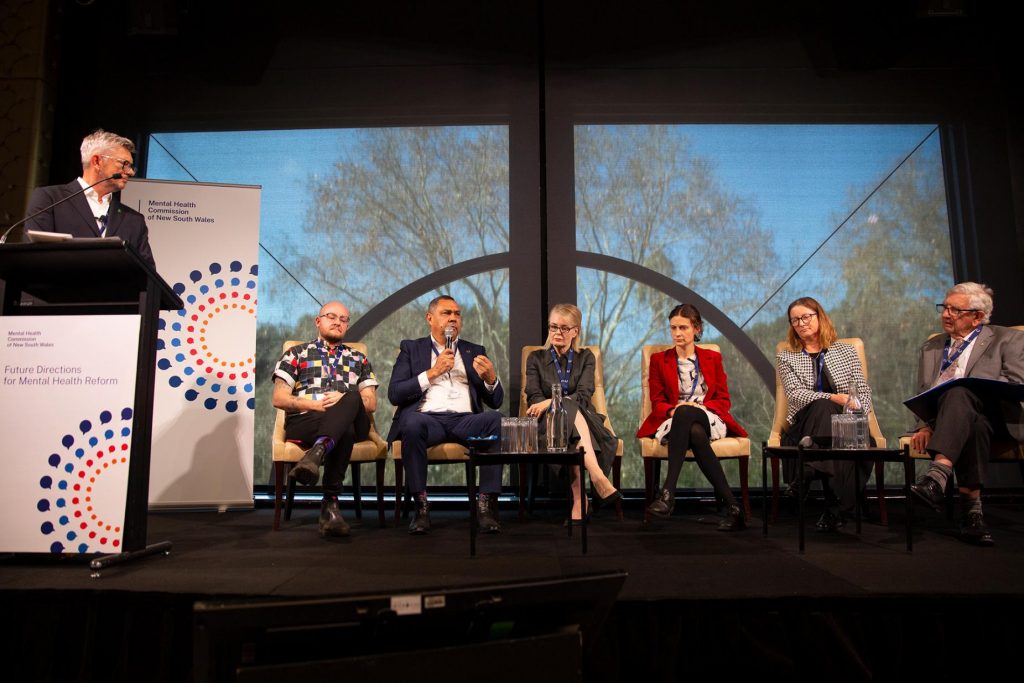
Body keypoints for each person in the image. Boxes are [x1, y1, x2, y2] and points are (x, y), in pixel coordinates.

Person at [909, 282, 1024, 546]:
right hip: (954, 422)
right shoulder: (932, 346)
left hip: (999, 417)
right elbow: (923, 391)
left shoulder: (1008, 339)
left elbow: (1017, 384)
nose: (946, 314)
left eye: (955, 310)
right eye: (945, 308)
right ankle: (972, 514)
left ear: (977, 317)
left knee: (961, 390)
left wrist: (975, 385)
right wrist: (924, 426)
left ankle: (937, 474)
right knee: (974, 424)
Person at [387, 294, 504, 535]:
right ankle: (421, 507)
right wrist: (432, 372)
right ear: (430, 318)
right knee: (411, 422)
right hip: (428, 419)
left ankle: (485, 506)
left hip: (464, 420)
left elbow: (495, 400)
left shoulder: (474, 350)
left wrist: (491, 379)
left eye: (457, 314)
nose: (453, 318)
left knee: (496, 420)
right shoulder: (412, 348)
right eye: (446, 313)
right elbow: (395, 393)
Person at [272, 301, 378, 538]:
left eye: (343, 319)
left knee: (351, 397)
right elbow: (279, 398)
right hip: (307, 420)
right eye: (331, 316)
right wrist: (314, 404)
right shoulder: (295, 354)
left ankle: (316, 453)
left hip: (354, 417)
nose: (337, 322)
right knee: (345, 432)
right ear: (318, 321)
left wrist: (342, 399)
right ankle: (330, 505)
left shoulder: (359, 359)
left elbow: (371, 403)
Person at [637, 304, 748, 531]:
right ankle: (734, 508)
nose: (677, 333)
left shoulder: (711, 358)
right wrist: (674, 410)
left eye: (683, 328)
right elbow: (657, 401)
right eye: (673, 328)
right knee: (692, 429)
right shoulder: (659, 360)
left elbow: (723, 399)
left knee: (689, 413)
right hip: (673, 418)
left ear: (696, 329)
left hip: (709, 416)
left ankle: (668, 493)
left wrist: (695, 407)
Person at [776, 296, 874, 532]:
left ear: (819, 316)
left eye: (806, 317)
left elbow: (862, 391)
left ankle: (807, 470)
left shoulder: (846, 352)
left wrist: (856, 406)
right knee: (822, 406)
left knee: (846, 430)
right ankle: (836, 508)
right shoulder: (787, 356)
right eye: (795, 320)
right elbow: (796, 394)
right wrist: (831, 397)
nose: (800, 323)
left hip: (845, 423)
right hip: (804, 424)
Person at [524, 304, 621, 523]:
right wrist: (554, 404)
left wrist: (552, 400)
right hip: (545, 423)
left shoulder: (586, 357)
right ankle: (597, 478)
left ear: (575, 331)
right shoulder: (535, 359)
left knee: (570, 409)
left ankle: (580, 501)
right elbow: (533, 398)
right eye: (553, 327)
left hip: (586, 420)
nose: (557, 333)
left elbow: (584, 395)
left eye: (564, 328)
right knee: (565, 410)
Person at [23, 129, 156, 269]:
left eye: (130, 166)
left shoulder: (134, 220)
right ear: (97, 161)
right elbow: (34, 259)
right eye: (124, 164)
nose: (130, 172)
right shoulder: (50, 200)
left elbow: (147, 278)